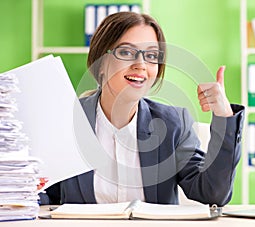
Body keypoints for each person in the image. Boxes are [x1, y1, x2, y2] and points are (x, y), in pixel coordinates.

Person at [39, 11, 244, 207]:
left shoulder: (174, 123)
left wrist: (224, 116)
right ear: (100, 64)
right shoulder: (67, 120)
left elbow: (212, 193)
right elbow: (47, 193)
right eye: (126, 52)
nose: (141, 64)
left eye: (152, 55)